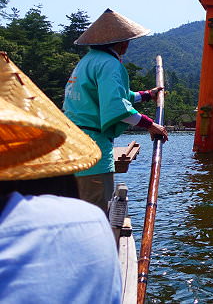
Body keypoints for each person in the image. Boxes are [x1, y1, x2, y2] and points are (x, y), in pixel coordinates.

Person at [0, 51, 122, 303]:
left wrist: (143, 96)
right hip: (96, 143)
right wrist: (147, 122)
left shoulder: (85, 62)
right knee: (98, 204)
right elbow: (115, 107)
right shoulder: (86, 221)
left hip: (83, 135)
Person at [63, 9, 168, 213]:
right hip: (92, 149)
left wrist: (147, 94)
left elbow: (117, 96)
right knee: (97, 211)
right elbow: (117, 108)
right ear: (122, 43)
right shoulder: (109, 64)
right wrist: (151, 125)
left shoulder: (87, 61)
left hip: (72, 144)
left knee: (76, 207)